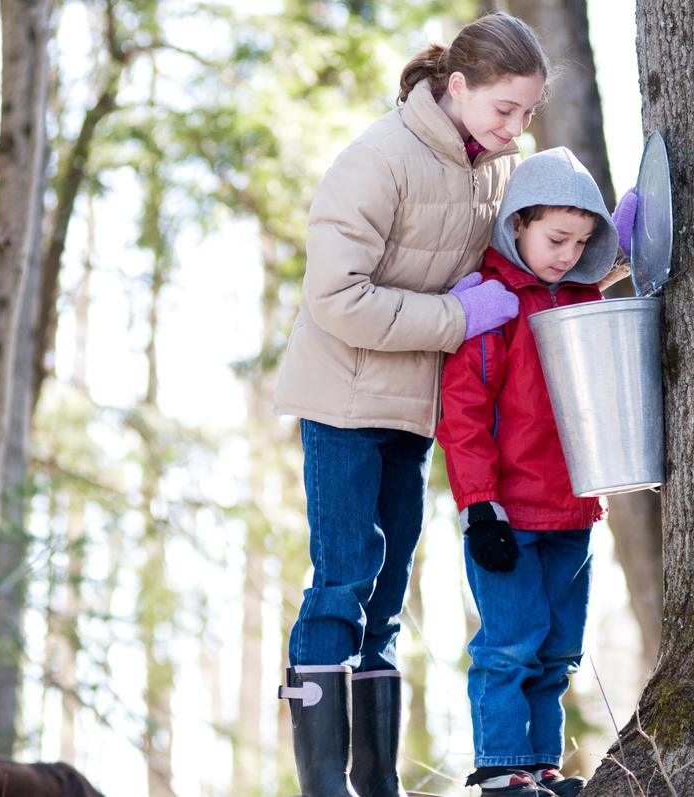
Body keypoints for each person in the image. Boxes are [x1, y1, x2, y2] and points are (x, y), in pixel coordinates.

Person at [272, 14, 549, 797]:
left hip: (411, 404)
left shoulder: (500, 164)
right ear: (457, 87)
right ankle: (326, 783)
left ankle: (377, 780)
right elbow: (334, 297)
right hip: (343, 396)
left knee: (389, 589)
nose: (515, 126)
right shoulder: (377, 159)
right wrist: (457, 317)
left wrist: (612, 244)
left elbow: (537, 254)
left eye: (527, 113)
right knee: (343, 578)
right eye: (504, 109)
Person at [437, 147, 627, 797]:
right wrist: (478, 503)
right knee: (510, 645)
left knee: (557, 651)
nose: (568, 254)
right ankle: (500, 768)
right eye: (555, 238)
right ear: (518, 223)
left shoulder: (579, 298)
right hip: (507, 513)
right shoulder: (493, 304)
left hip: (573, 507)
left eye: (581, 242)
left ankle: (542, 767)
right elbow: (462, 413)